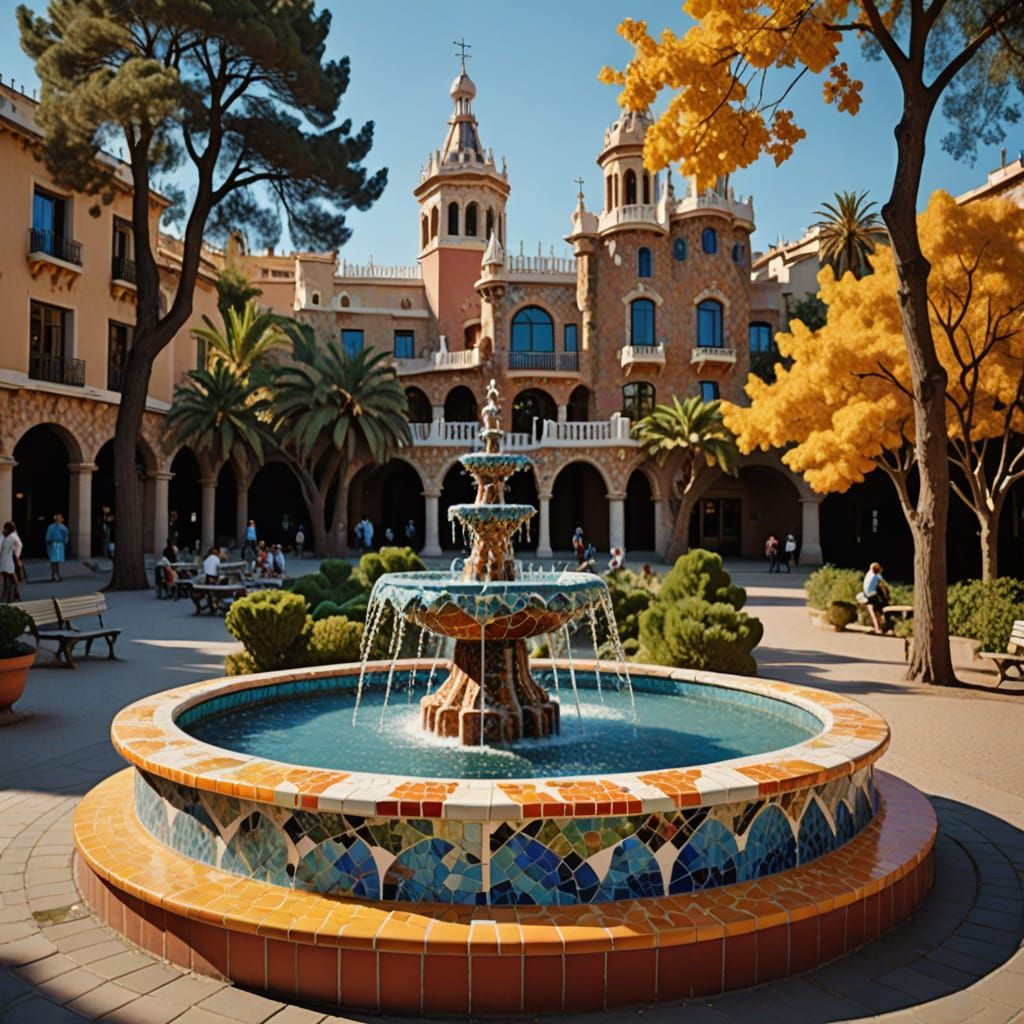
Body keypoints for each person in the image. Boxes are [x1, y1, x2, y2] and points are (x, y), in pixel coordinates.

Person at [861, 561, 891, 633]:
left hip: (866, 594)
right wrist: (887, 595)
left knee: (873, 611)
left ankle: (878, 627)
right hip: (872, 595)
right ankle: (882, 626)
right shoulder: (877, 575)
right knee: (878, 611)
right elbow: (883, 585)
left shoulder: (869, 573)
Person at [45, 514, 69, 582]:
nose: (59, 519)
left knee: (56, 561)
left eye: (60, 518)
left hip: (60, 545)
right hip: (53, 544)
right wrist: (48, 542)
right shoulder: (51, 527)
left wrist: (65, 542)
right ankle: (55, 575)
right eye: (58, 518)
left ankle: (55, 575)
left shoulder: (63, 527)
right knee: (53, 561)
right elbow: (48, 537)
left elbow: (66, 536)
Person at [0, 522, 19, 603]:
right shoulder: (8, 538)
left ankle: (7, 599)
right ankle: (7, 600)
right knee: (12, 581)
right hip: (6, 562)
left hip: (6, 561)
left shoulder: (4, 537)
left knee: (9, 581)